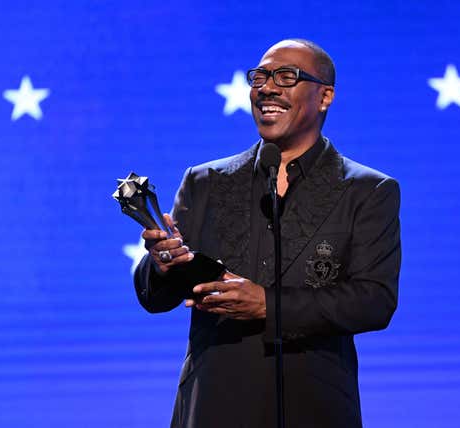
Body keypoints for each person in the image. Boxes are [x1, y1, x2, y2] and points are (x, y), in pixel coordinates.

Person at [134, 39, 401, 428]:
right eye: (259, 77)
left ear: (325, 96)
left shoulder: (366, 191)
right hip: (213, 404)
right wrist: (161, 265)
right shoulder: (205, 181)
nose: (267, 88)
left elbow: (374, 301)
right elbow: (156, 298)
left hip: (313, 406)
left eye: (286, 76)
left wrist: (267, 305)